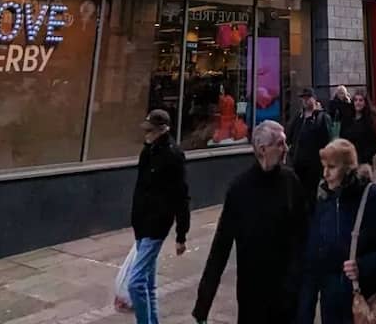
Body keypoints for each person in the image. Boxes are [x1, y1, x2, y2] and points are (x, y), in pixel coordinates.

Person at [193, 120, 309, 324]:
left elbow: (304, 233)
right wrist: (203, 304)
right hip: (253, 295)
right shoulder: (240, 189)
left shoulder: (291, 182)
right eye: (280, 144)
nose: (286, 149)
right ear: (263, 149)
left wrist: (301, 281)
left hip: (288, 294)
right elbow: (221, 246)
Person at [297, 140, 376, 324]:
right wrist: (305, 313)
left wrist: (364, 267)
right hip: (332, 309)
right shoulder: (324, 201)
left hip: (366, 306)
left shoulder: (371, 197)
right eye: (324, 167)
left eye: (332, 167)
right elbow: (312, 260)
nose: (326, 174)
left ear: (347, 169)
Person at [127, 109, 189, 324]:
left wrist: (181, 234)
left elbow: (182, 197)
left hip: (157, 225)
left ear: (162, 130)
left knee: (135, 283)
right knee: (147, 284)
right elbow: (140, 187)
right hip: (141, 222)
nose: (146, 134)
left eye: (150, 131)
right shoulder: (148, 151)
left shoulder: (172, 155)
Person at [288, 88, 332, 197]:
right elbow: (290, 134)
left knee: (311, 193)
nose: (305, 101)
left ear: (314, 99)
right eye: (303, 99)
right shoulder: (299, 117)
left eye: (308, 98)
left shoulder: (321, 117)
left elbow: (326, 140)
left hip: (313, 164)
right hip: (298, 162)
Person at [339, 92, 376, 168]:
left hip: (364, 162)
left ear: (365, 103)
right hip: (349, 162)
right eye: (356, 100)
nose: (358, 103)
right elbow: (342, 138)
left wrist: (364, 157)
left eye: (361, 100)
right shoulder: (347, 119)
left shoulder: (370, 121)